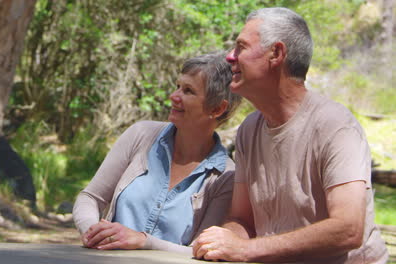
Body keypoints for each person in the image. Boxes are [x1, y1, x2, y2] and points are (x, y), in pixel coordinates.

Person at [193, 7, 388, 264]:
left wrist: (246, 250)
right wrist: (223, 241)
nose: (230, 57)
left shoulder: (335, 125)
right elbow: (242, 219)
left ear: (276, 54)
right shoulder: (249, 130)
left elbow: (349, 229)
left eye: (241, 47)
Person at [72, 51, 242, 253]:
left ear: (217, 109)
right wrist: (94, 232)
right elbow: (90, 198)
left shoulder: (226, 177)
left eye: (188, 91)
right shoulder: (140, 135)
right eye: (177, 86)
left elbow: (203, 250)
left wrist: (144, 242)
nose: (174, 96)